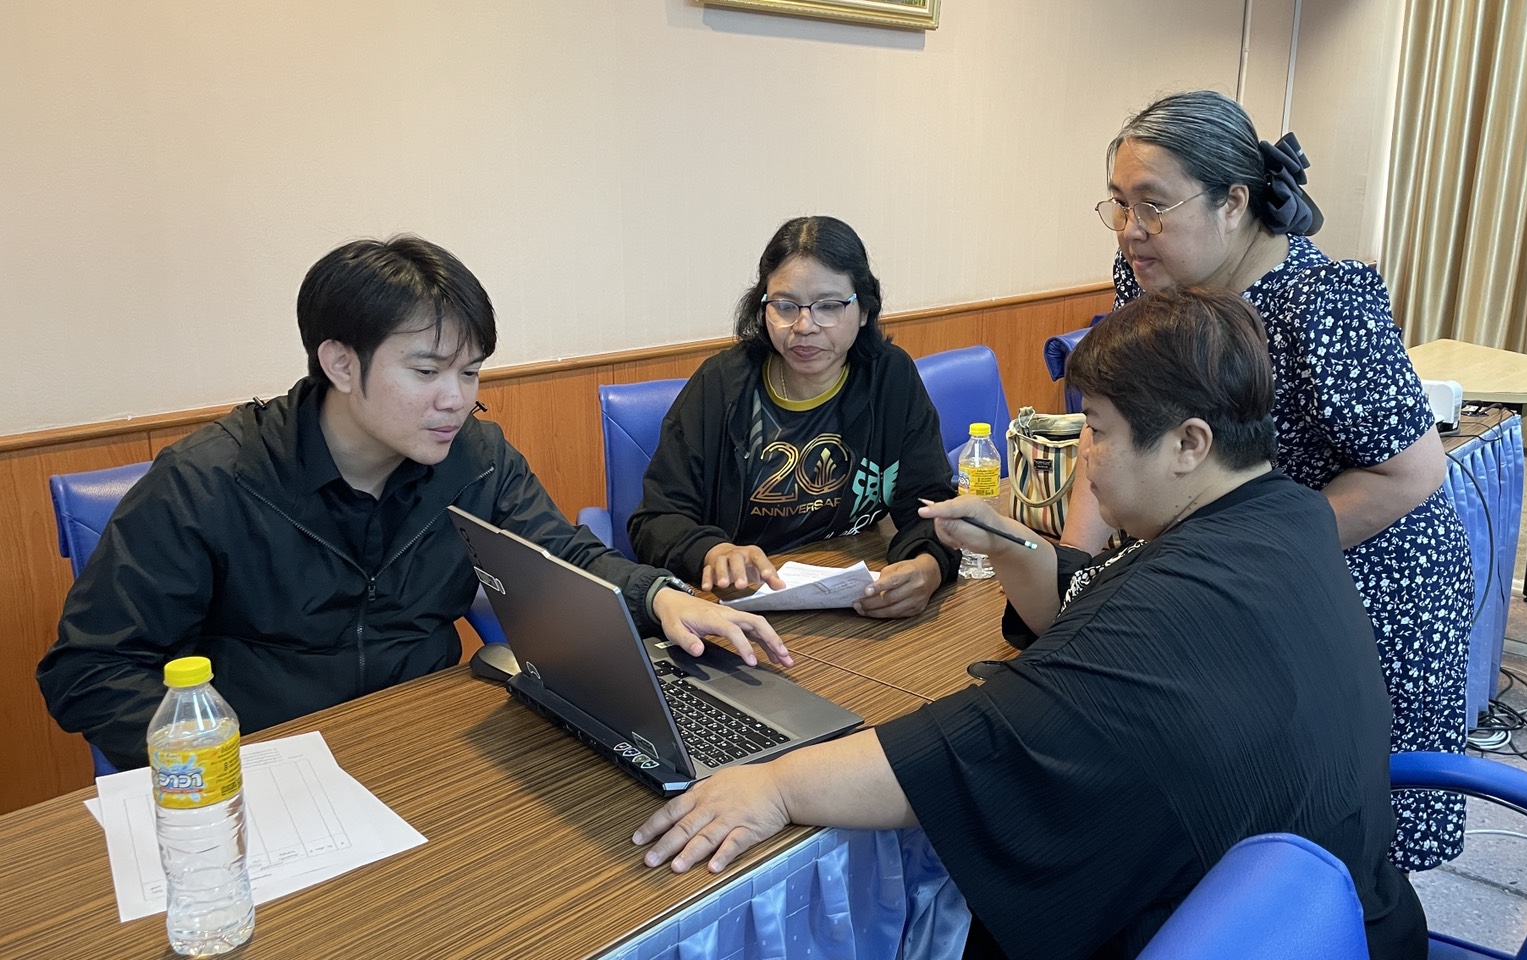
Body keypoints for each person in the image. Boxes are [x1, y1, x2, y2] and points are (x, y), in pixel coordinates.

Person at [632, 289, 1427, 960]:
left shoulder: (1175, 605)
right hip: (1331, 909)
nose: (1086, 456)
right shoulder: (1285, 515)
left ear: (1189, 444)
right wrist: (1009, 540)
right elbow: (1092, 596)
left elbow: (976, 748)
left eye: (1100, 432)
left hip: (1207, 928)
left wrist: (774, 785)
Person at [37, 235, 790, 772]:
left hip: (427, 749)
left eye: (471, 372)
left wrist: (660, 596)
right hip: (267, 767)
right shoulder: (210, 481)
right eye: (428, 371)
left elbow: (563, 557)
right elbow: (92, 669)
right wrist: (221, 764)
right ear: (340, 363)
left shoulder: (476, 459)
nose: (456, 399)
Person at [1063, 90, 1474, 872]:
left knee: (1342, 831)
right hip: (1237, 568)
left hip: (1364, 579)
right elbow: (1109, 418)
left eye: (1152, 205)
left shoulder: (1322, 303)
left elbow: (1410, 471)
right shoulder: (1147, 277)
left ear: (1233, 203)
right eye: (1118, 204)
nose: (1130, 230)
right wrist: (1073, 570)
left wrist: (1236, 557)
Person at [628, 216, 959, 618]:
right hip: (738, 607)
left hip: (851, 603)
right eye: (784, 306)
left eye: (829, 306)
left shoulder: (889, 378)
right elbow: (655, 520)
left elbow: (930, 501)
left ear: (864, 310)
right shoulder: (721, 385)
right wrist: (713, 551)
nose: (804, 326)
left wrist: (929, 566)